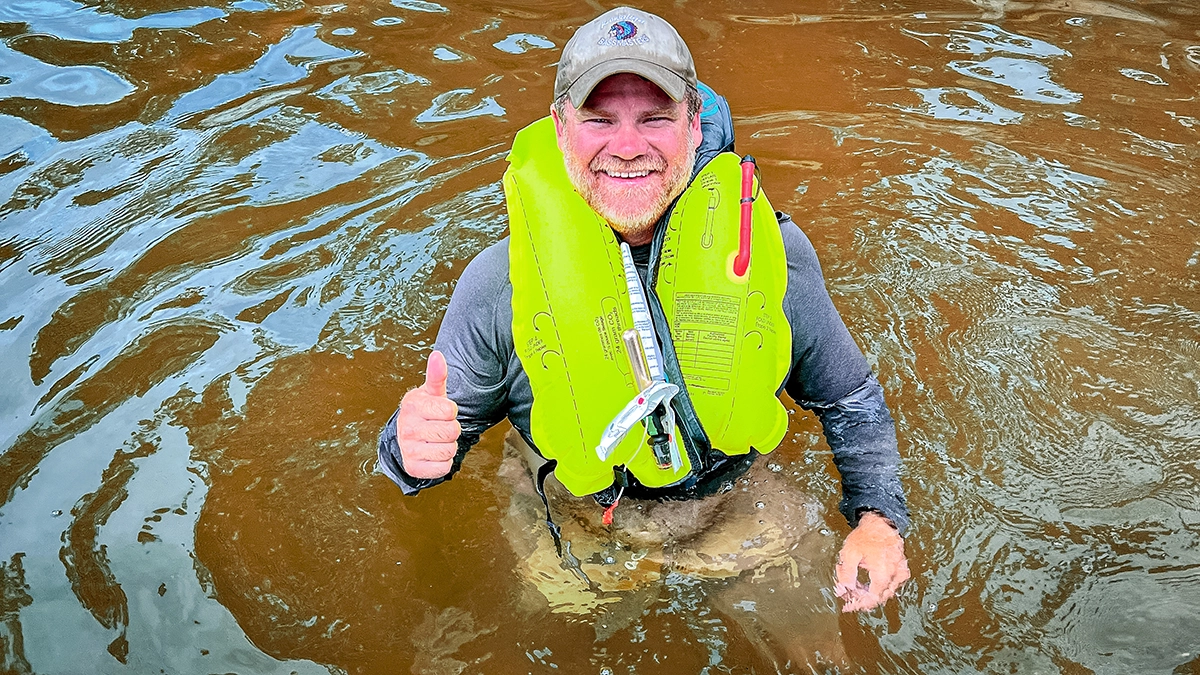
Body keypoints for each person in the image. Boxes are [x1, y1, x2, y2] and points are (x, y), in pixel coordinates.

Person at [379, 6, 910, 623]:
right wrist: (408, 451)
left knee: (828, 642)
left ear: (691, 124)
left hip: (728, 506)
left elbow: (850, 398)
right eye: (599, 120)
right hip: (571, 517)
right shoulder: (498, 286)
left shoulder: (767, 256)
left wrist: (879, 521)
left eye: (654, 118)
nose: (627, 148)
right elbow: (417, 452)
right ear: (559, 129)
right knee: (547, 640)